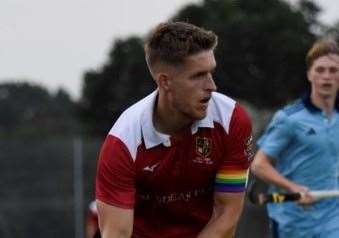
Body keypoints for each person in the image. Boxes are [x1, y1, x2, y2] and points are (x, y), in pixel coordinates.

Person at [95, 22, 253, 238]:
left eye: (211, 73)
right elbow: (117, 233)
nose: (211, 86)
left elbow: (226, 214)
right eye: (198, 76)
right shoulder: (122, 142)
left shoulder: (231, 120)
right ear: (165, 81)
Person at [251, 39, 339, 238]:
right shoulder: (289, 119)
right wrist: (293, 188)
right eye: (320, 70)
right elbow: (259, 165)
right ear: (310, 74)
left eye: (333, 70)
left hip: (333, 221)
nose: (327, 76)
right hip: (294, 224)